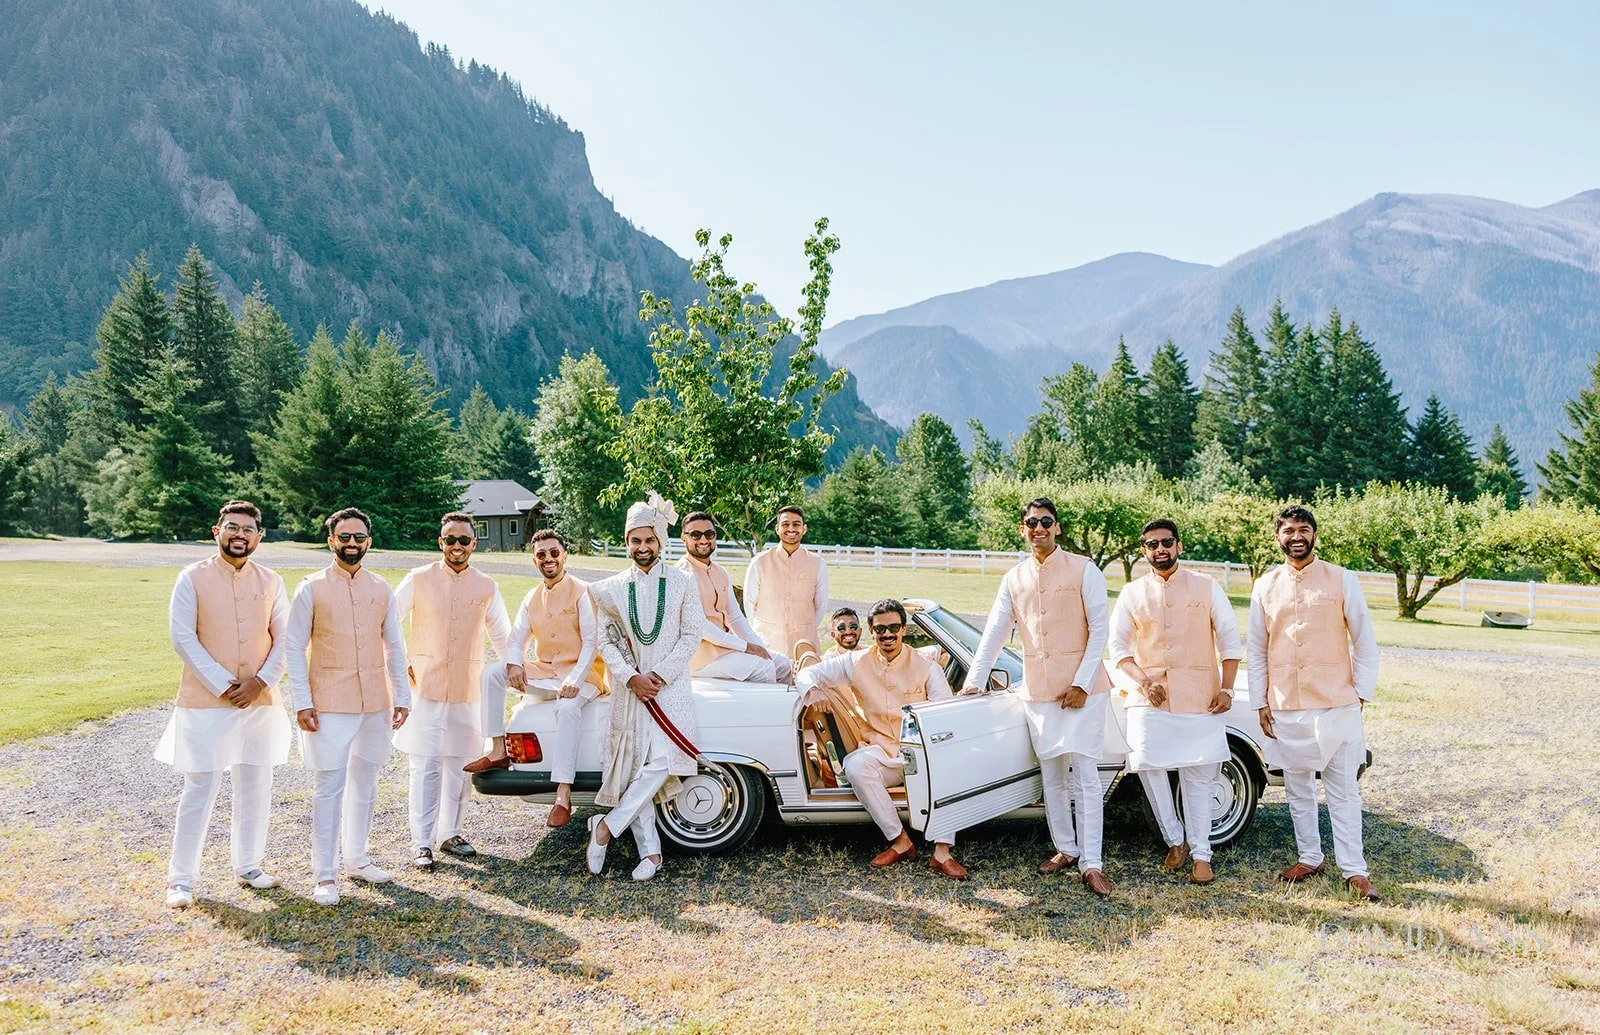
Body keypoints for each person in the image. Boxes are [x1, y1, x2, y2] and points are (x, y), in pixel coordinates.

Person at [963, 497, 1114, 897]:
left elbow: (1101, 629)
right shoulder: (1013, 578)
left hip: (1084, 692)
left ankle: (1092, 863)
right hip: (1039, 692)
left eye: (1046, 521)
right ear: (1023, 528)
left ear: (1057, 527)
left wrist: (1082, 683)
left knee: (1085, 778)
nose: (1039, 528)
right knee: (1052, 777)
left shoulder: (1085, 569)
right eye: (1032, 522)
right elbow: (995, 632)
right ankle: (1065, 848)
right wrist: (974, 681)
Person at [157, 500, 292, 908]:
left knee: (256, 784)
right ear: (217, 531)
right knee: (200, 786)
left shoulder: (271, 581)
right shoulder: (192, 577)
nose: (240, 534)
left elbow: (286, 639)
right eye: (232, 527)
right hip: (205, 702)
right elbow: (183, 638)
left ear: (259, 536)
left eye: (248, 529)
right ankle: (181, 880)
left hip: (260, 701)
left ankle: (248, 865)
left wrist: (260, 682)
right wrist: (223, 684)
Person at [1248, 505, 1381, 901]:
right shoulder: (1264, 585)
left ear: (1314, 535)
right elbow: (1256, 648)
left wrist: (1360, 693)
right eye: (1288, 530)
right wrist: (1260, 701)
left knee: (1343, 789)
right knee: (1298, 787)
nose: (1296, 536)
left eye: (1303, 529)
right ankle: (1310, 856)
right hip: (1286, 703)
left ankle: (1354, 870)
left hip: (1336, 702)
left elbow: (1364, 640)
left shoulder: (1343, 579)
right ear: (1278, 537)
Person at [285, 507, 410, 906]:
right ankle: (325, 875)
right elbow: (293, 647)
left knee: (366, 783)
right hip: (329, 702)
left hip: (375, 700)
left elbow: (394, 645)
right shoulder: (312, 587)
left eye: (359, 537)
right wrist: (302, 702)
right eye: (344, 537)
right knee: (329, 786)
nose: (351, 544)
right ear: (331, 540)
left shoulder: (381, 588)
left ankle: (357, 858)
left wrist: (402, 696)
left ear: (368, 542)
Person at [1108, 519, 1242, 885]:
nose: (1160, 549)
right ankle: (1174, 839)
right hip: (1150, 698)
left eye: (1166, 542)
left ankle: (1202, 853)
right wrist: (1143, 681)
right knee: (1148, 766)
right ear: (1143, 551)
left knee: (1199, 776)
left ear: (1179, 546)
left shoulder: (1207, 586)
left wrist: (1227, 689)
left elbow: (1230, 640)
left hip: (1202, 696)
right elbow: (1118, 646)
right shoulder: (1132, 593)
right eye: (1152, 544)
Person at [798, 600, 967, 879]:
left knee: (948, 759)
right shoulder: (855, 661)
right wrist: (812, 691)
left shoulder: (926, 666)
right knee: (855, 766)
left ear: (903, 629)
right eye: (880, 630)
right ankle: (901, 841)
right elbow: (808, 672)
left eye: (893, 628)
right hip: (880, 751)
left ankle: (942, 851)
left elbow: (943, 714)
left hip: (921, 754)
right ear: (870, 631)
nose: (887, 635)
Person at [585, 493, 705, 882]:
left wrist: (659, 676)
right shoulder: (611, 589)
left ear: (660, 541)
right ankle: (650, 854)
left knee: (663, 763)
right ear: (627, 543)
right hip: (630, 689)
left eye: (649, 540)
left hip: (670, 689)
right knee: (636, 766)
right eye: (635, 541)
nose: (642, 548)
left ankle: (606, 827)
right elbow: (606, 641)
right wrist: (631, 678)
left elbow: (691, 635)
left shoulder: (684, 583)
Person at [465, 528, 605, 831]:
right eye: (542, 554)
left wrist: (575, 680)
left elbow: (592, 641)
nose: (549, 559)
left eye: (554, 552)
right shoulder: (531, 597)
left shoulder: (583, 591)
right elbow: (516, 639)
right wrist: (514, 664)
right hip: (546, 671)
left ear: (564, 555)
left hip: (584, 674)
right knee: (491, 673)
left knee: (567, 708)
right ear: (534, 560)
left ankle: (563, 794)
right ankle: (498, 750)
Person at [393, 512, 511, 869]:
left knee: (460, 765)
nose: (456, 546)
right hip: (425, 687)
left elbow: (503, 635)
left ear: (474, 544)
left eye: (463, 540)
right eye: (450, 540)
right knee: (426, 765)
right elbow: (388, 622)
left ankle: (451, 834)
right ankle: (421, 842)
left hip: (467, 687)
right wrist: (400, 665)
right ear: (439, 542)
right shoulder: (418, 579)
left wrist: (518, 671)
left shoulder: (486, 585)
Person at [676, 511, 792, 684]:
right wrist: (746, 647)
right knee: (764, 667)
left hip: (725, 647)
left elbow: (734, 616)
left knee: (784, 664)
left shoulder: (720, 572)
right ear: (684, 538)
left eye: (709, 534)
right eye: (695, 534)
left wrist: (759, 646)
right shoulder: (681, 575)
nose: (703, 540)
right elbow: (701, 627)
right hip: (698, 657)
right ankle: (763, 711)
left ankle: (786, 710)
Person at [744, 505, 829, 661]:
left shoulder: (817, 563)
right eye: (785, 524)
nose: (791, 528)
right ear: (777, 529)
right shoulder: (759, 562)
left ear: (804, 528)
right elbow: (750, 604)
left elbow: (820, 606)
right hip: (767, 644)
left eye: (796, 524)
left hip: (804, 645)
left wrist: (805, 628)